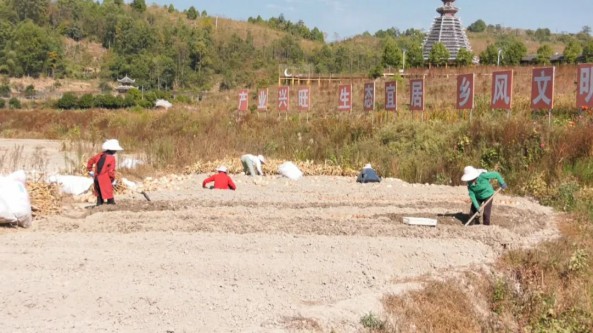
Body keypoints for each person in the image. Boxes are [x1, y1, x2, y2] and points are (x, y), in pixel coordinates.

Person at [87, 139, 123, 206]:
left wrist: (90, 170)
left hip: (96, 177)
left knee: (99, 195)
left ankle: (99, 205)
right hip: (104, 178)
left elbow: (90, 161)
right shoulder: (111, 158)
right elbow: (111, 171)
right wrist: (112, 179)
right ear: (112, 150)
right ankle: (111, 205)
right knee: (109, 195)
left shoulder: (99, 155)